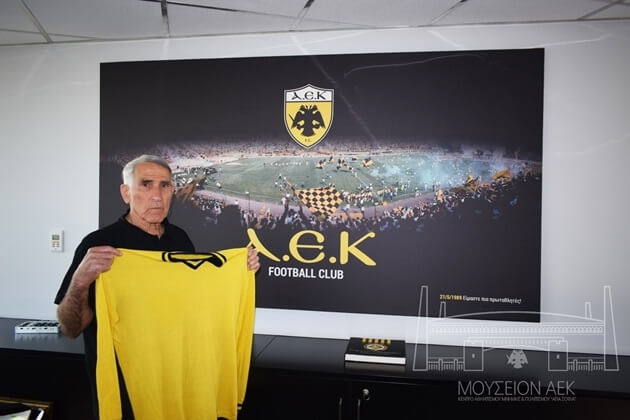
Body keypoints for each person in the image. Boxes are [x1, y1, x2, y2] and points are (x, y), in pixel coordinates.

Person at [54, 155, 260, 419]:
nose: (157, 196)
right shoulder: (99, 245)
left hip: (174, 382)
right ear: (126, 193)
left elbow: (193, 304)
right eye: (146, 184)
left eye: (164, 186)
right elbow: (70, 328)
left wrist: (238, 271)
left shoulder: (180, 240)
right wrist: (80, 280)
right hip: (127, 391)